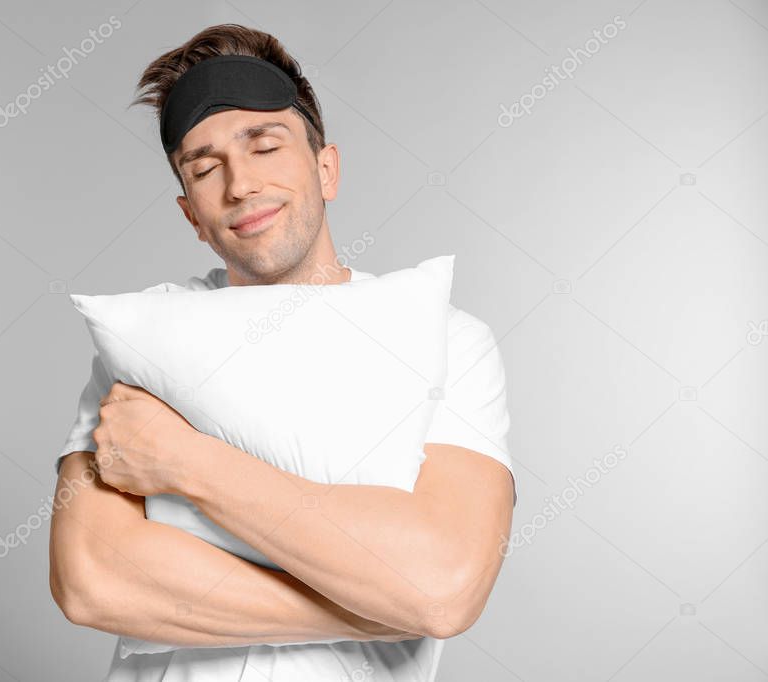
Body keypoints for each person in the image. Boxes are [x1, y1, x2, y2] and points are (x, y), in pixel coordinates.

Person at [49, 23, 516, 681]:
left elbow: (442, 581)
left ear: (325, 169)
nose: (240, 185)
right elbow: (92, 579)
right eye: (205, 168)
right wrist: (381, 603)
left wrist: (185, 461)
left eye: (265, 146)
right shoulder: (141, 345)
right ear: (191, 215)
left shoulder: (447, 340)